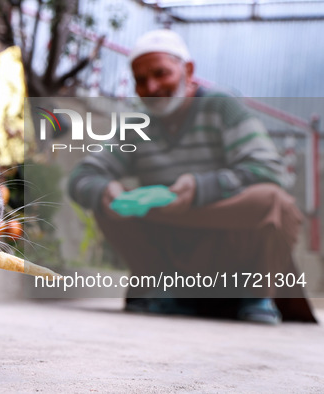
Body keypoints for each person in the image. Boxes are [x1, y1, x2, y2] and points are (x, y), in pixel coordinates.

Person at [68, 29, 316, 324]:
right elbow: (82, 176)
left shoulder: (222, 106)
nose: (152, 86)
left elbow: (269, 170)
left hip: (230, 237)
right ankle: (166, 292)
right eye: (140, 80)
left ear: (188, 70)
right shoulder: (136, 126)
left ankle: (253, 295)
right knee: (106, 203)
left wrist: (199, 189)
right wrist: (106, 190)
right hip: (172, 240)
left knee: (274, 201)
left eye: (161, 73)